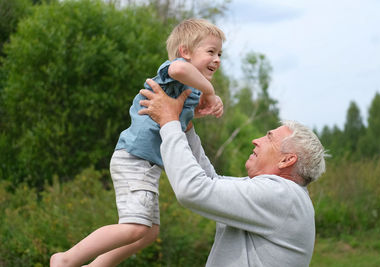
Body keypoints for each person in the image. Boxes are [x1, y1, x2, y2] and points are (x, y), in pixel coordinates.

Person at [50, 18, 225, 267]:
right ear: (185, 52)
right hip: (135, 159)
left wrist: (198, 110)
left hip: (146, 164)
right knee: (134, 227)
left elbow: (179, 127)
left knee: (148, 232)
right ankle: (65, 260)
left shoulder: (190, 91)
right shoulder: (176, 70)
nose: (217, 59)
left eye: (219, 53)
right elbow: (179, 70)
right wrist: (210, 91)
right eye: (211, 51)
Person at [138, 79, 327, 267]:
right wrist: (184, 125)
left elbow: (193, 190)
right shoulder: (283, 194)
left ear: (287, 160)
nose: (256, 140)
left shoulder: (282, 195)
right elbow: (211, 182)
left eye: (269, 138)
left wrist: (169, 121)